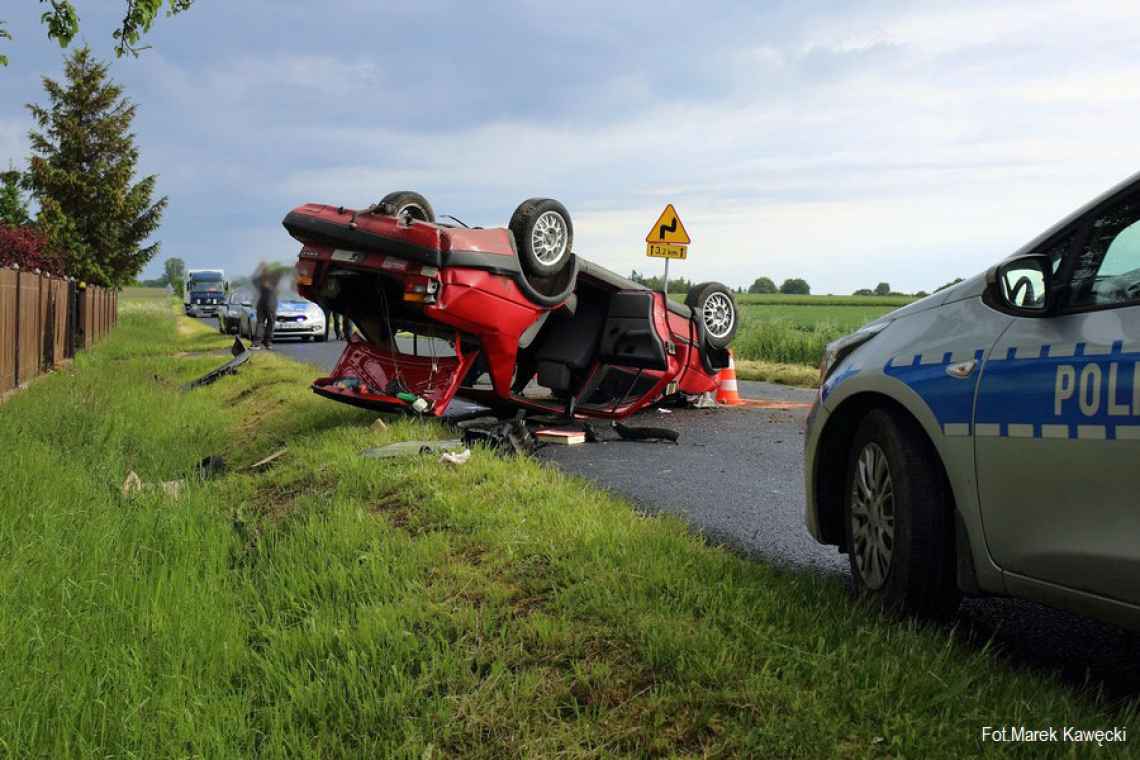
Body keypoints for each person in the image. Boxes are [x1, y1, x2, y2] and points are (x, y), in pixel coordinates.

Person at [251, 262, 284, 350]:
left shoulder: (272, 281)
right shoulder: (265, 281)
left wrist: (260, 268)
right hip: (268, 304)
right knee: (267, 323)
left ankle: (260, 343)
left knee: (263, 323)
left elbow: (253, 279)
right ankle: (264, 343)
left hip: (266, 303)